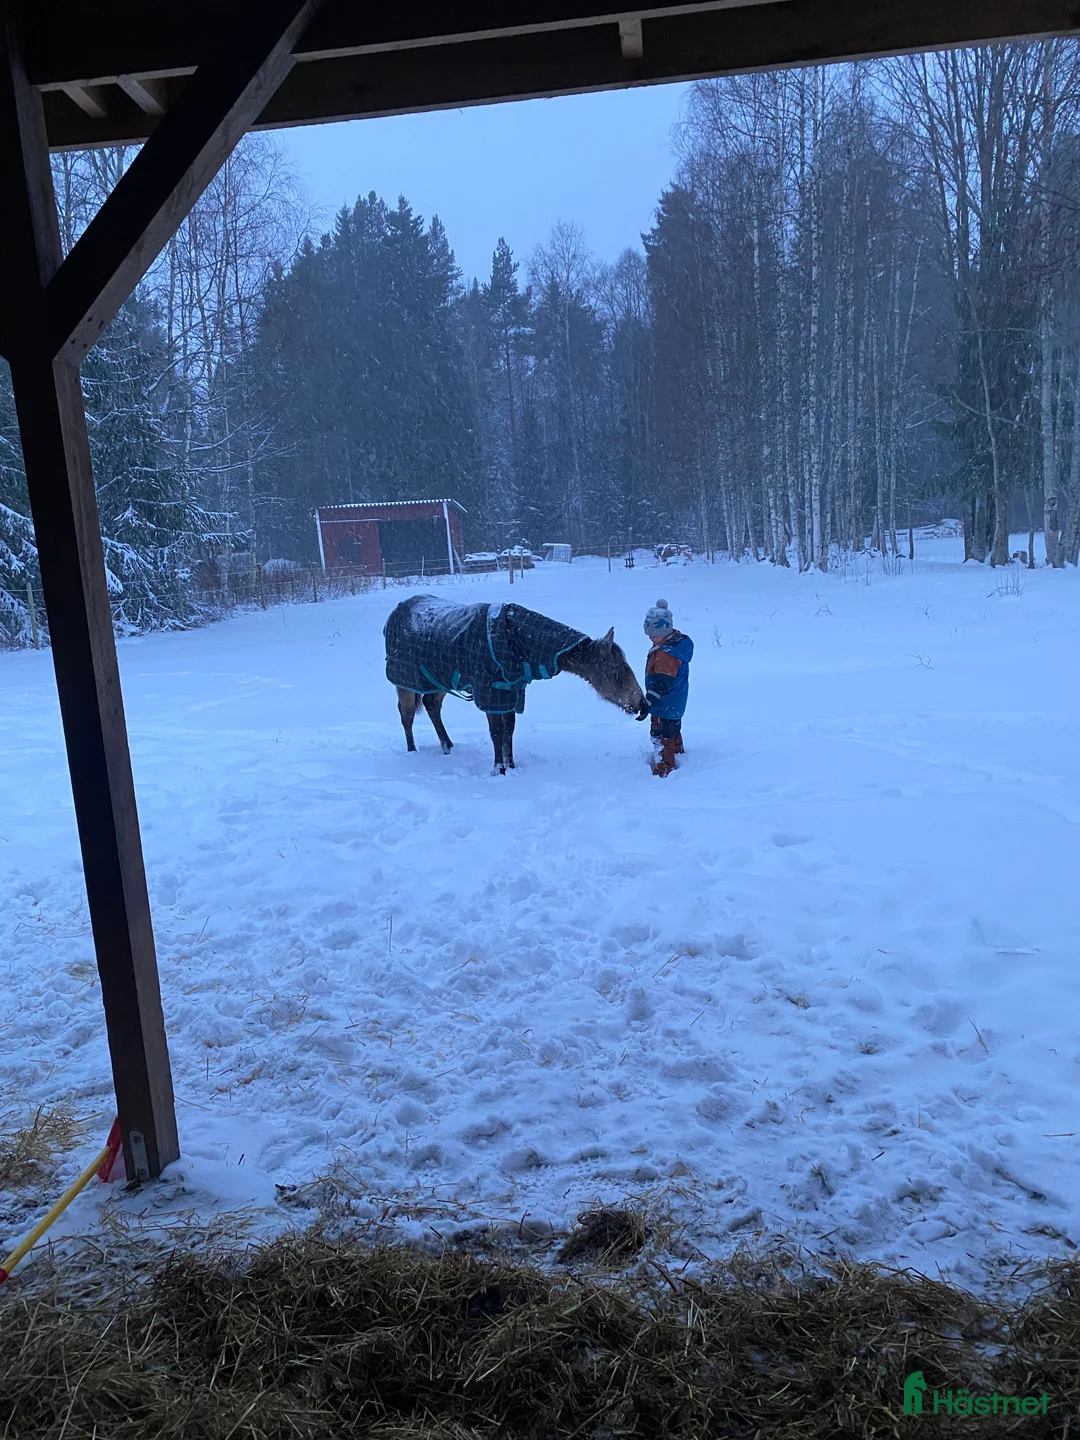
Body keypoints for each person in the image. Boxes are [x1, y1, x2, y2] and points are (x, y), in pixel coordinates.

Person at [638, 599, 693, 776]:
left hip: (664, 702)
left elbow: (662, 681)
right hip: (675, 702)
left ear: (665, 631)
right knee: (673, 728)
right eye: (649, 634)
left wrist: (650, 700)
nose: (650, 638)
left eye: (654, 634)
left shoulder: (666, 655)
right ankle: (677, 751)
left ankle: (665, 765)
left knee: (660, 735)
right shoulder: (674, 646)